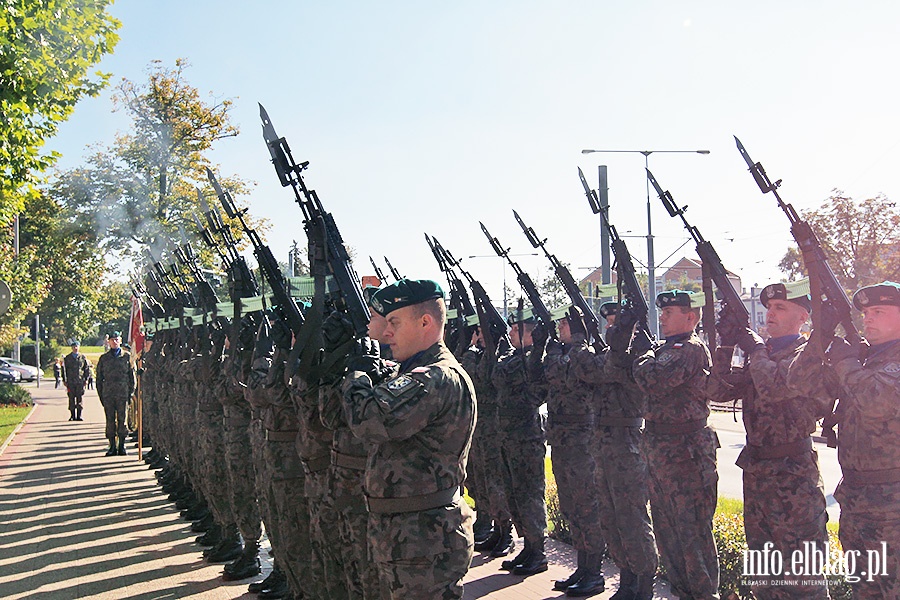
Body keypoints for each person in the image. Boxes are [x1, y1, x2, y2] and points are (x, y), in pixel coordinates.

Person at [340, 279, 476, 599]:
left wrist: (358, 374)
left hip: (425, 542)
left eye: (394, 322)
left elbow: (367, 419)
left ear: (425, 322)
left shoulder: (437, 377)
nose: (385, 332)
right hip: (407, 537)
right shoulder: (412, 372)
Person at [713, 283, 831, 597]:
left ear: (803, 316)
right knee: (763, 571)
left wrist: (754, 349)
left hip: (793, 478)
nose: (771, 314)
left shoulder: (808, 355)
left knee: (802, 575)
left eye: (781, 308)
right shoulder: (763, 354)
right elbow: (717, 391)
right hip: (758, 474)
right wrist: (726, 345)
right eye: (770, 307)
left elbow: (775, 387)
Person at [790, 281, 900, 598]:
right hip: (857, 500)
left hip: (892, 507)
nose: (868, 318)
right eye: (865, 312)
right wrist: (819, 338)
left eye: (878, 311)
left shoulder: (862, 363)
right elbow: (798, 382)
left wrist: (845, 361)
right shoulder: (861, 359)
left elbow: (877, 400)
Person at [631, 290, 719, 600]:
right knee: (668, 535)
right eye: (662, 313)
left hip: (686, 454)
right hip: (661, 453)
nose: (663, 318)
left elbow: (651, 379)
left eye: (671, 313)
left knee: (692, 534)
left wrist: (642, 353)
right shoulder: (664, 349)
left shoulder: (690, 349)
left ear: (691, 318)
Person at [96, 331, 135, 456]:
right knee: (110, 420)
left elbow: (132, 378)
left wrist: (130, 394)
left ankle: (122, 446)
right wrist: (101, 395)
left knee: (122, 420)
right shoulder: (104, 358)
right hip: (108, 394)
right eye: (112, 340)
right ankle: (112, 446)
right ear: (109, 341)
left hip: (123, 394)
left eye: (117, 339)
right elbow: (99, 379)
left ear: (120, 340)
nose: (114, 342)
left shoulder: (127, 357)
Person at [62, 341, 90, 421]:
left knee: (79, 398)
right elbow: (64, 370)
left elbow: (86, 369)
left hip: (80, 381)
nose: (75, 348)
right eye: (74, 347)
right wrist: (64, 380)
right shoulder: (67, 358)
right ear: (71, 348)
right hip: (70, 381)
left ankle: (79, 415)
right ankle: (72, 415)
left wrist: (86, 379)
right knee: (71, 398)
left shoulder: (82, 357)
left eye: (77, 346)